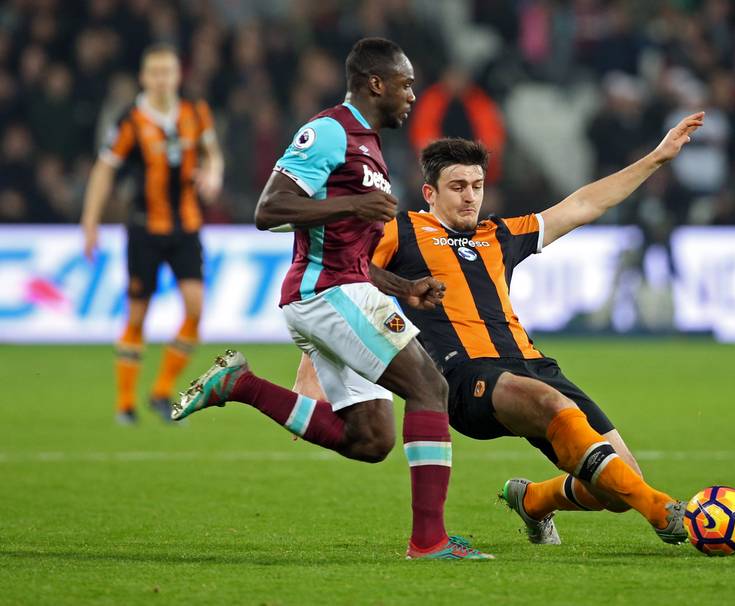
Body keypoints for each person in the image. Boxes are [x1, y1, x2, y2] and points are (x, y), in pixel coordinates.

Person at [295, 113, 705, 546]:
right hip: (463, 376)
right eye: (457, 187)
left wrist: (657, 159)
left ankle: (533, 500)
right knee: (555, 409)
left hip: (531, 365)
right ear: (429, 193)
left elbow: (584, 205)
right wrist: (313, 363)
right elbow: (343, 283)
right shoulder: (403, 230)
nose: (470, 197)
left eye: (476, 186)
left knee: (616, 487)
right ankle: (662, 511)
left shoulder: (500, 235)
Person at [172, 38, 492, 561]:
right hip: (326, 293)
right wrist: (355, 201)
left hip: (346, 288)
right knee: (430, 386)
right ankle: (429, 542)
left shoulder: (369, 148)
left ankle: (241, 384)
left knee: (370, 440)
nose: (412, 95)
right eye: (406, 84)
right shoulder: (328, 132)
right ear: (376, 83)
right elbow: (269, 208)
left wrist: (406, 288)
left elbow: (356, 256)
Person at [80, 43, 224, 424]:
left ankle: (160, 391)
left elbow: (213, 154)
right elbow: (104, 169)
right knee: (138, 315)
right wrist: (90, 221)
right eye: (155, 72)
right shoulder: (130, 121)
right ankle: (125, 402)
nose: (162, 79)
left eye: (168, 72)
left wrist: (212, 176)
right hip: (145, 229)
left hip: (187, 227)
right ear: (144, 77)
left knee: (195, 309)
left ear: (178, 75)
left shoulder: (196, 112)